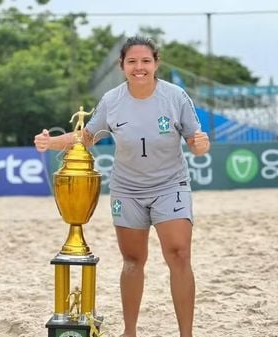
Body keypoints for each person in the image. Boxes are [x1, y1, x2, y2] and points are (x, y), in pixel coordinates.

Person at [34, 36, 210, 337]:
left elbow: (196, 142)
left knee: (179, 254)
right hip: (127, 189)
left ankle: (186, 334)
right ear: (122, 65)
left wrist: (199, 145)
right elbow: (87, 137)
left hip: (170, 185)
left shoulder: (176, 96)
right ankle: (130, 331)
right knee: (133, 260)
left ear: (156, 63)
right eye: (132, 61)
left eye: (145, 61)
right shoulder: (112, 100)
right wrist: (51, 142)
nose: (139, 67)